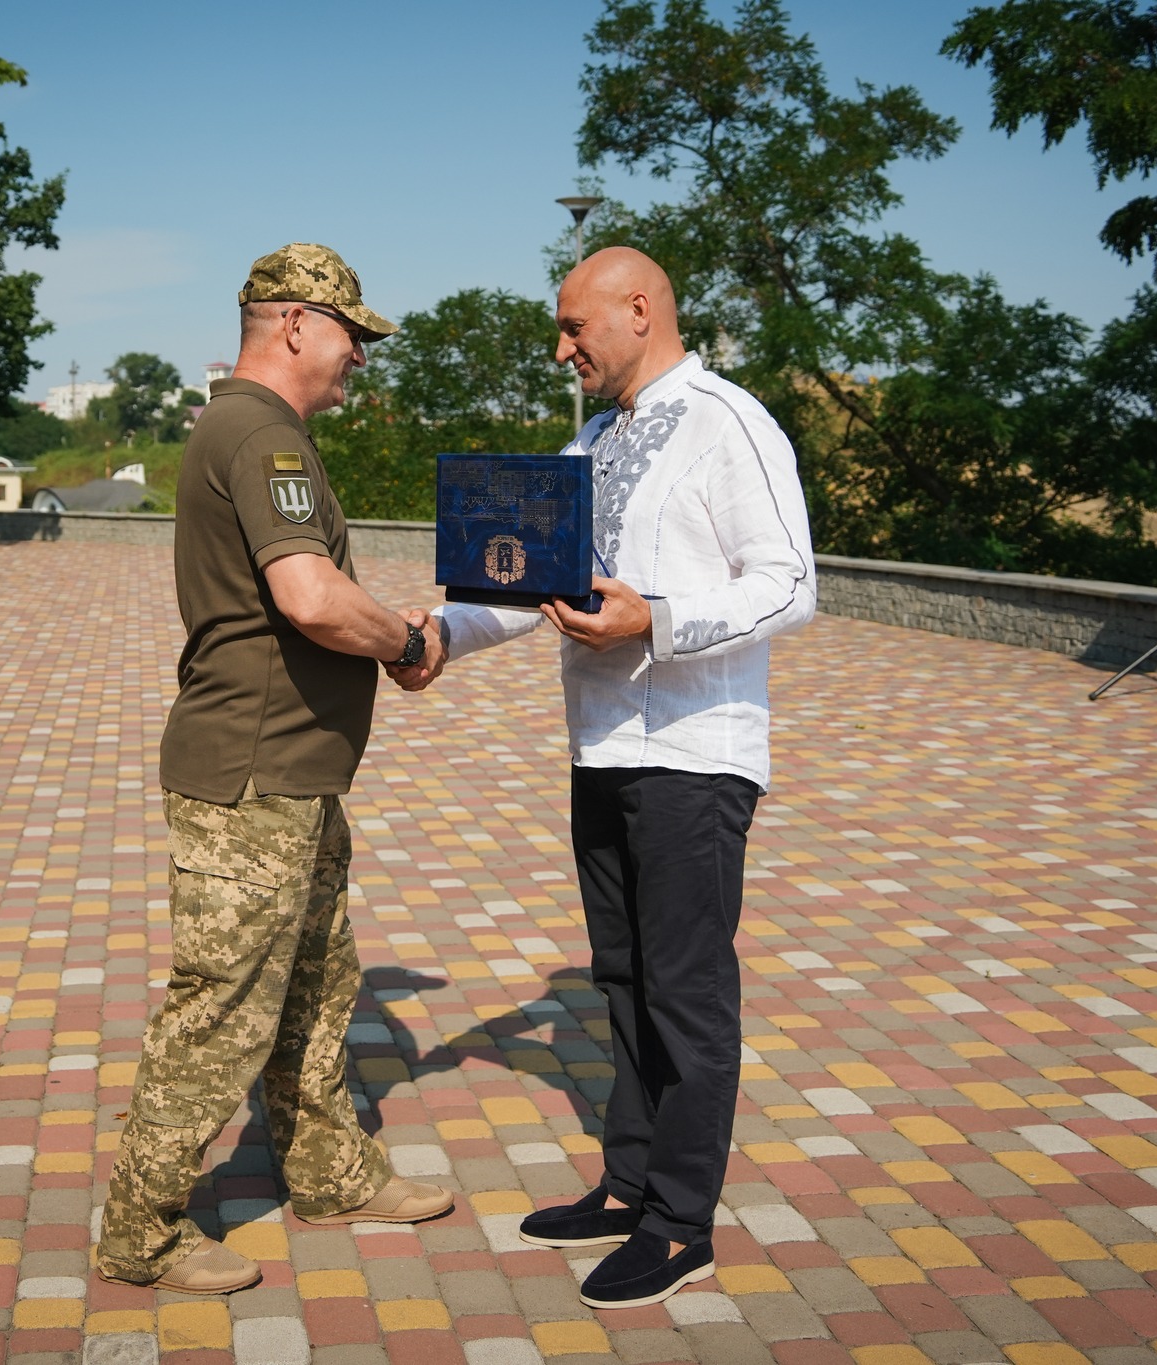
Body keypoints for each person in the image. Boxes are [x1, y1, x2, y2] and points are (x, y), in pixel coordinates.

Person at [413, 247, 817, 1310]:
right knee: (624, 980)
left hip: (693, 754)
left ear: (639, 310)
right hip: (600, 748)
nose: (561, 350)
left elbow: (791, 585)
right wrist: (441, 635)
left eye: (572, 327)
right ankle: (628, 1185)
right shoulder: (593, 439)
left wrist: (658, 620)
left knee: (686, 992)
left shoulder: (730, 422)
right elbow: (529, 578)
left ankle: (680, 1225)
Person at [95, 243, 454, 1295]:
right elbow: (308, 595)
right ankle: (141, 1228)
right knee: (223, 1009)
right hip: (254, 777)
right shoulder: (261, 435)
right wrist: (404, 641)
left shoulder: (249, 428)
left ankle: (329, 1172)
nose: (359, 359)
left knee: (314, 985)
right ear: (296, 323)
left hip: (289, 774)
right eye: (350, 336)